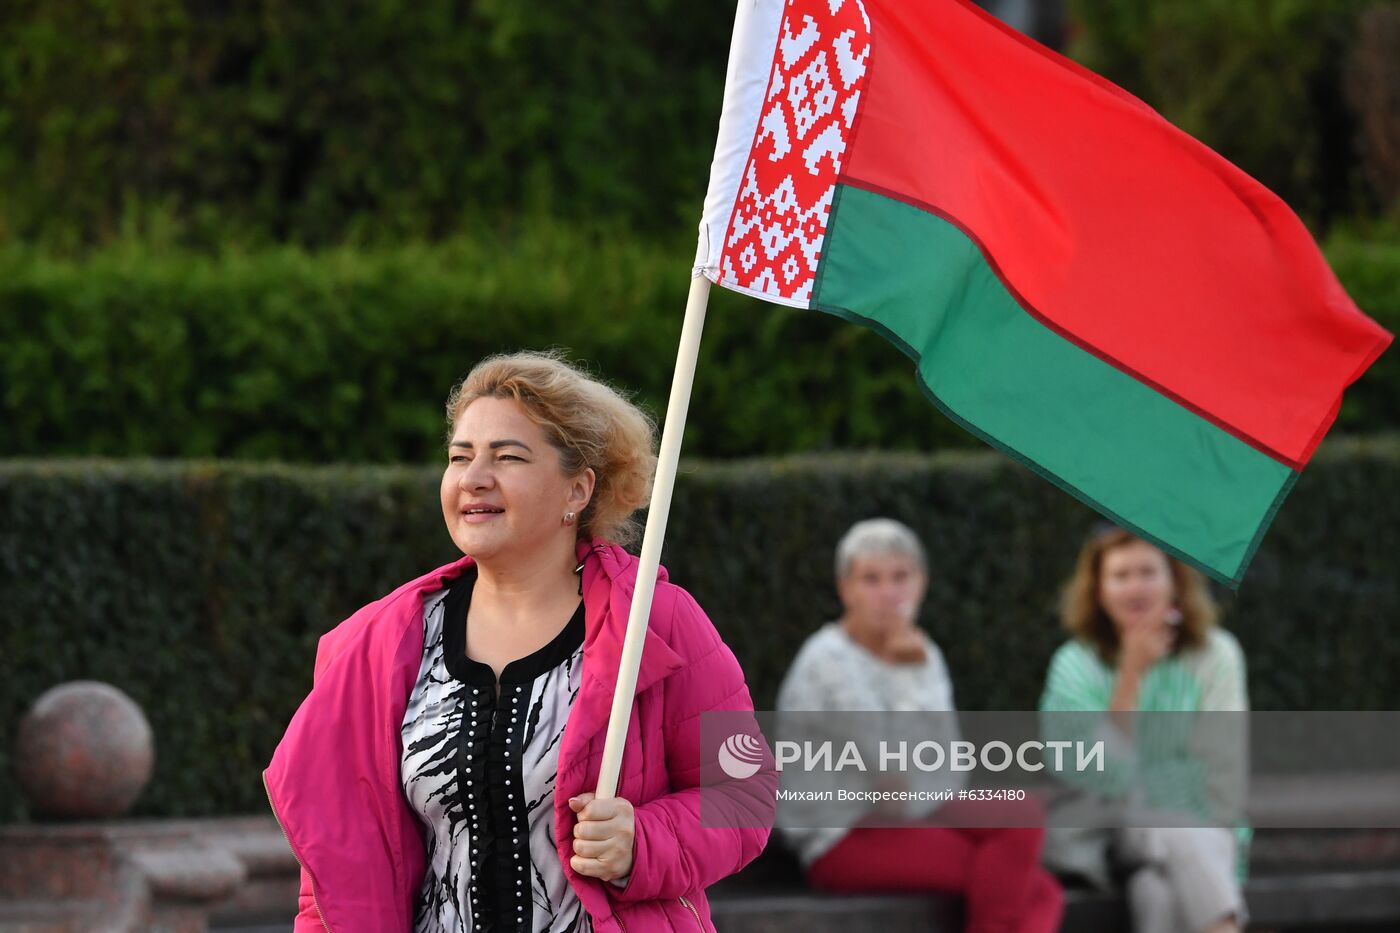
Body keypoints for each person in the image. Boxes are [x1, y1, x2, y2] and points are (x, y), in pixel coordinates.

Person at [264, 350, 773, 933]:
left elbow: (747, 793)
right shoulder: (377, 645)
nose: (474, 477)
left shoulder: (657, 622)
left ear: (577, 491)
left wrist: (644, 842)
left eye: (507, 457)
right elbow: (333, 878)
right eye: (460, 457)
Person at [776, 518, 1063, 933]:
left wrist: (909, 670)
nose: (889, 593)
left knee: (1024, 812)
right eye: (871, 579)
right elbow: (892, 784)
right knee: (1036, 892)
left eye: (901, 577)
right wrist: (906, 676)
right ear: (845, 589)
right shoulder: (827, 663)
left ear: (921, 584)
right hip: (844, 835)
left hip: (913, 812)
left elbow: (948, 765)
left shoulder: (922, 650)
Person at [1039, 525, 1250, 933]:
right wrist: (1131, 675)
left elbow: (1222, 775)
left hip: (1204, 833)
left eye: (1148, 573)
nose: (1136, 588)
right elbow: (1090, 775)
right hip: (1106, 839)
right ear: (1099, 591)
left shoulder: (1216, 655)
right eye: (1121, 576)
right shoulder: (1074, 664)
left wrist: (1140, 788)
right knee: (1171, 833)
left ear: (1175, 583)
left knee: (1157, 893)